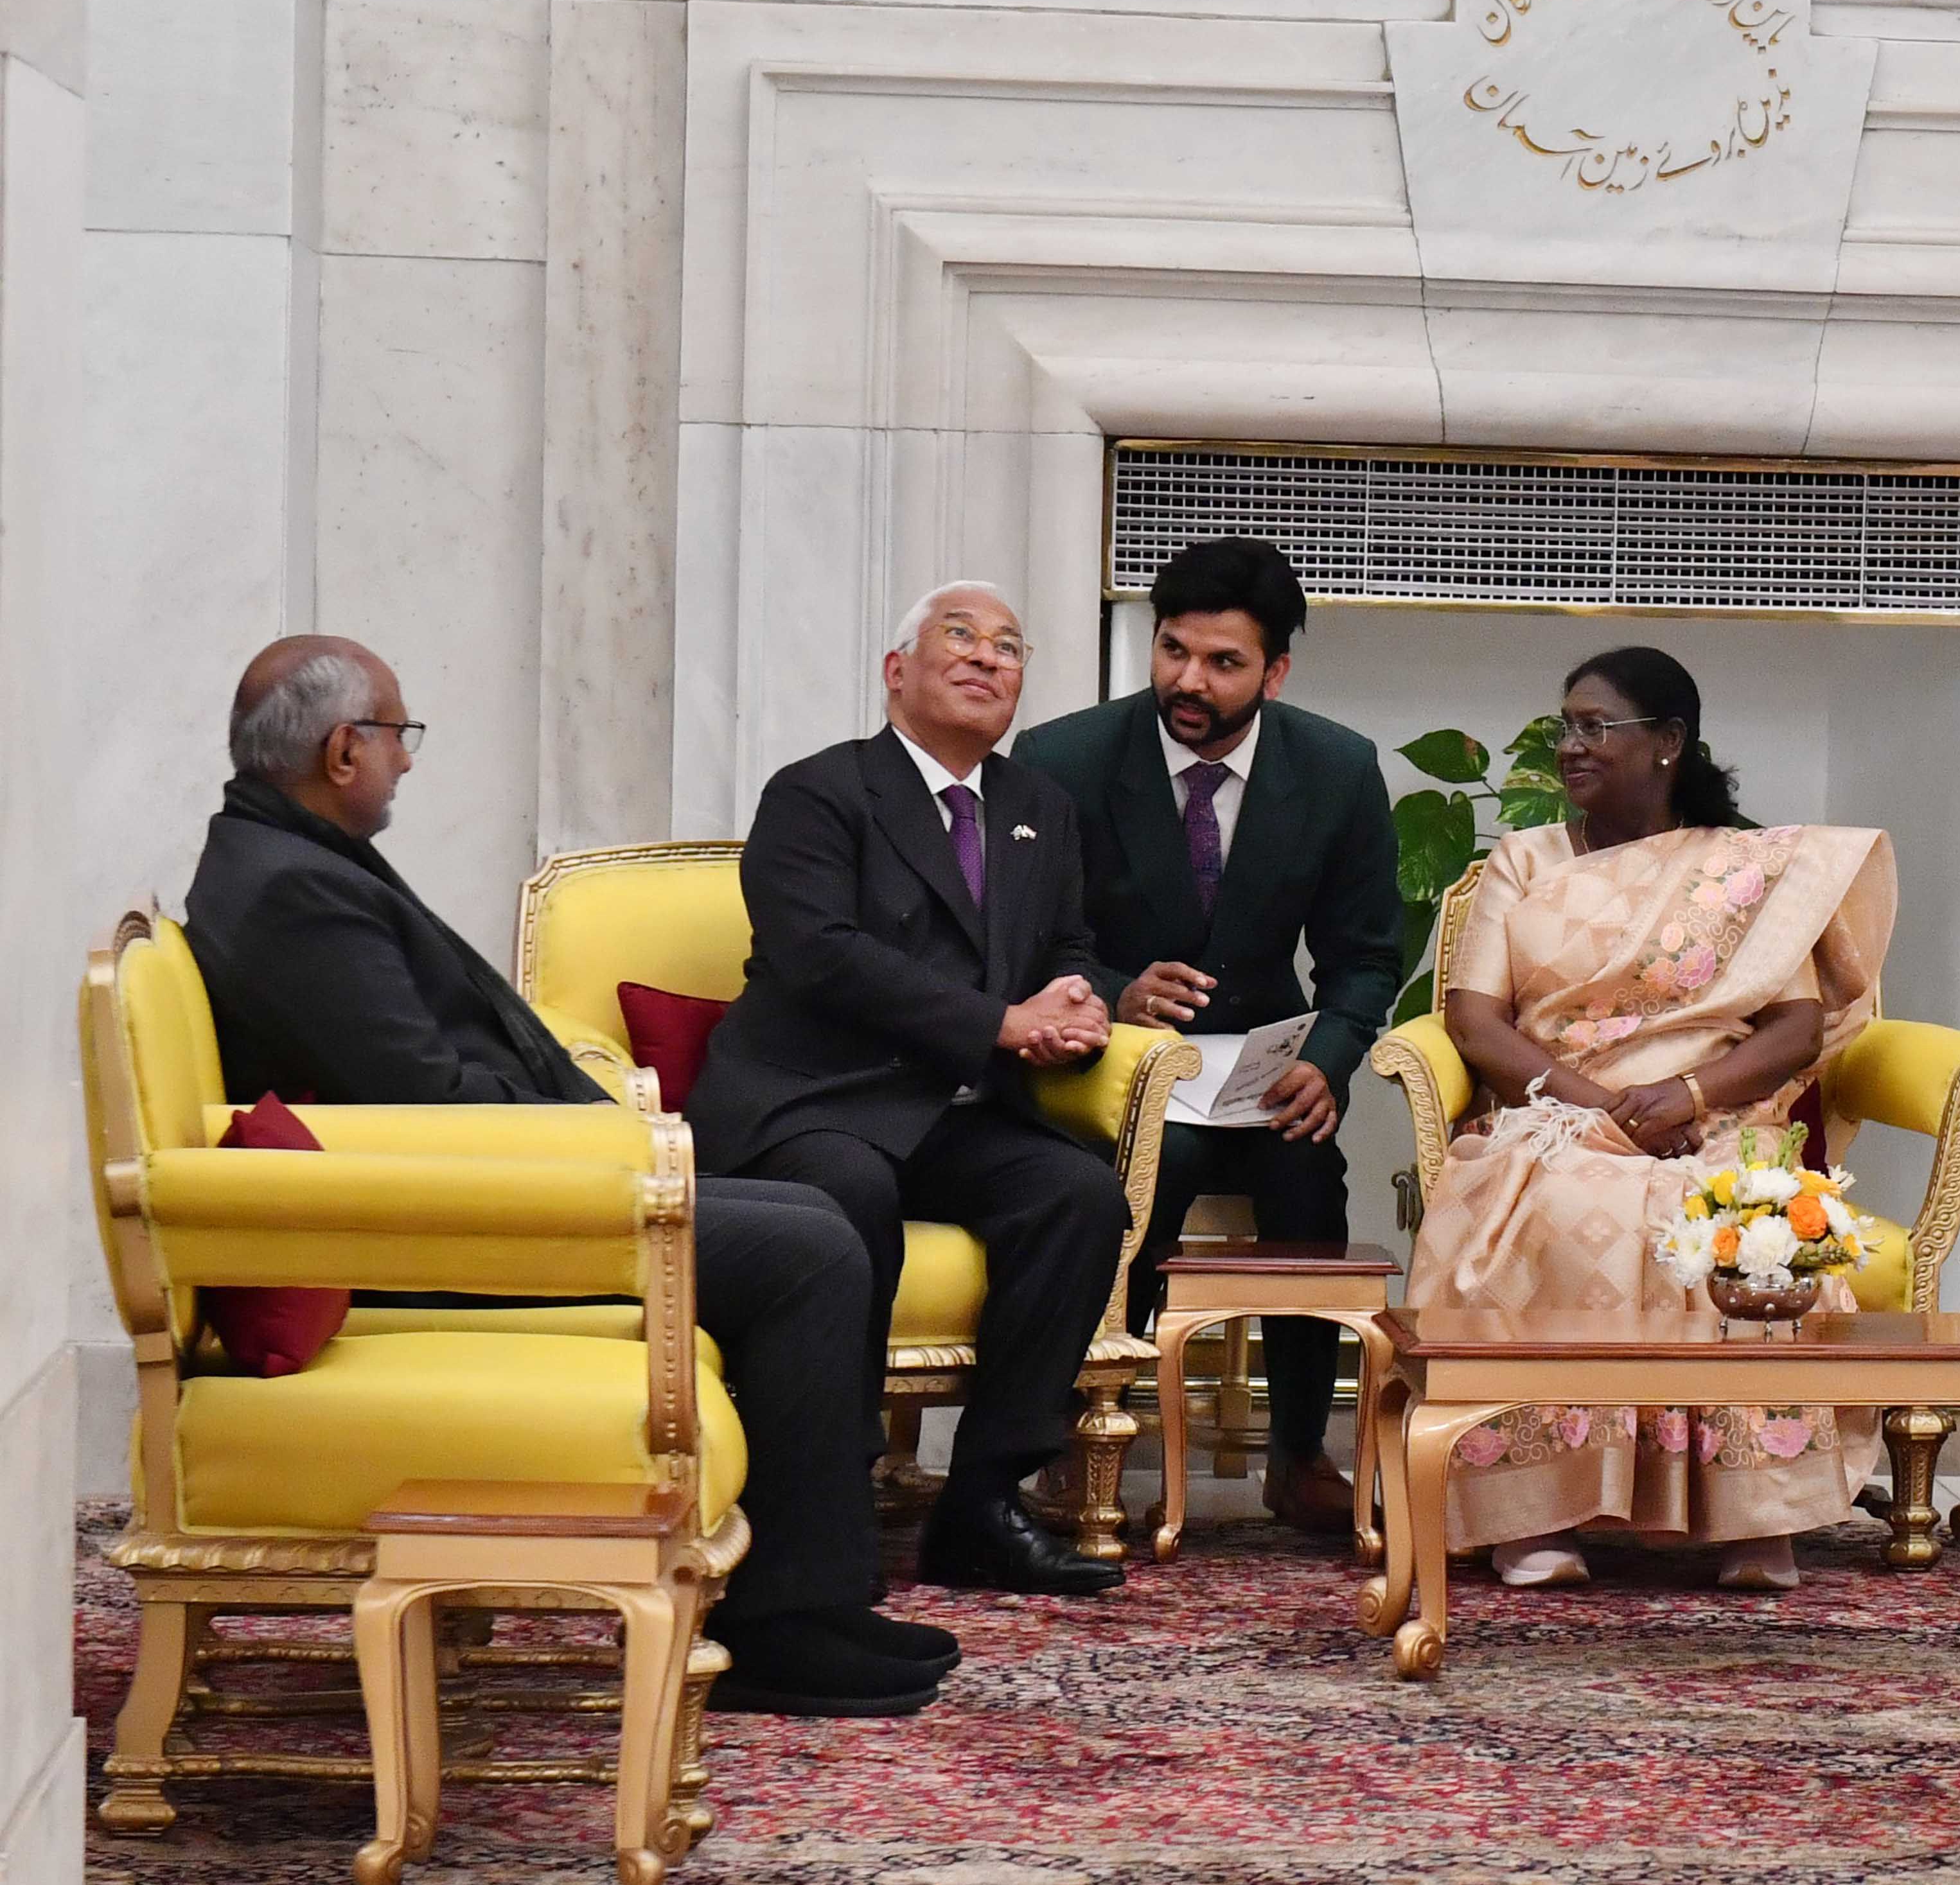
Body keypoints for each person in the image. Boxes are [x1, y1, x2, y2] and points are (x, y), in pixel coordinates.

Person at [181, 637, 953, 1717]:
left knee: (813, 1213)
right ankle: (785, 1625)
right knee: (810, 1250)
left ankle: (806, 1596)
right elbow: (423, 1101)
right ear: (342, 749)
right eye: (399, 735)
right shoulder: (288, 890)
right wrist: (596, 1149)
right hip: (450, 1225)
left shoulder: (284, 856)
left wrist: (603, 1128)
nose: (409, 759)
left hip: (475, 1189)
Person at [1408, 647, 1896, 1592]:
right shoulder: (1524, 859)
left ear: (1669, 741)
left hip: (1712, 1114)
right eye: (1566, 727)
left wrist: (1692, 1097)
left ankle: (1753, 1515)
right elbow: (1474, 1020)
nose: (1571, 746)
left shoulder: (1741, 875)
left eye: (1596, 727)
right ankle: (1535, 1512)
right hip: (1558, 1112)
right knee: (1562, 1212)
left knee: (1741, 1223)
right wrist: (1604, 1109)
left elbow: (1795, 1027)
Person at [686, 581, 1133, 1600]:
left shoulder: (1039, 809)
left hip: (953, 1109)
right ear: (898, 671)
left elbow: (1068, 943)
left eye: (1008, 646)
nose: (986, 657)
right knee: (849, 1193)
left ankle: (983, 1504)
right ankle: (824, 1499)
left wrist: (1074, 1004)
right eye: (959, 637)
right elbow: (820, 955)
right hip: (816, 1098)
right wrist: (999, 1023)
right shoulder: (819, 791)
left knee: (1076, 1196)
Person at [1016, 539, 1403, 1538]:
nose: (1189, 681)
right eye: (1174, 651)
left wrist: (1328, 1058)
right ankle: (1078, 1432)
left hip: (1263, 1070)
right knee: (1159, 1163)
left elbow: (1366, 956)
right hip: (1111, 1067)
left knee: (1307, 1168)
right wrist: (1116, 992)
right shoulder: (1062, 760)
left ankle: (1299, 1453)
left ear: (1276, 673)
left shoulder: (1337, 768)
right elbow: (1020, 937)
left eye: (1223, 662)